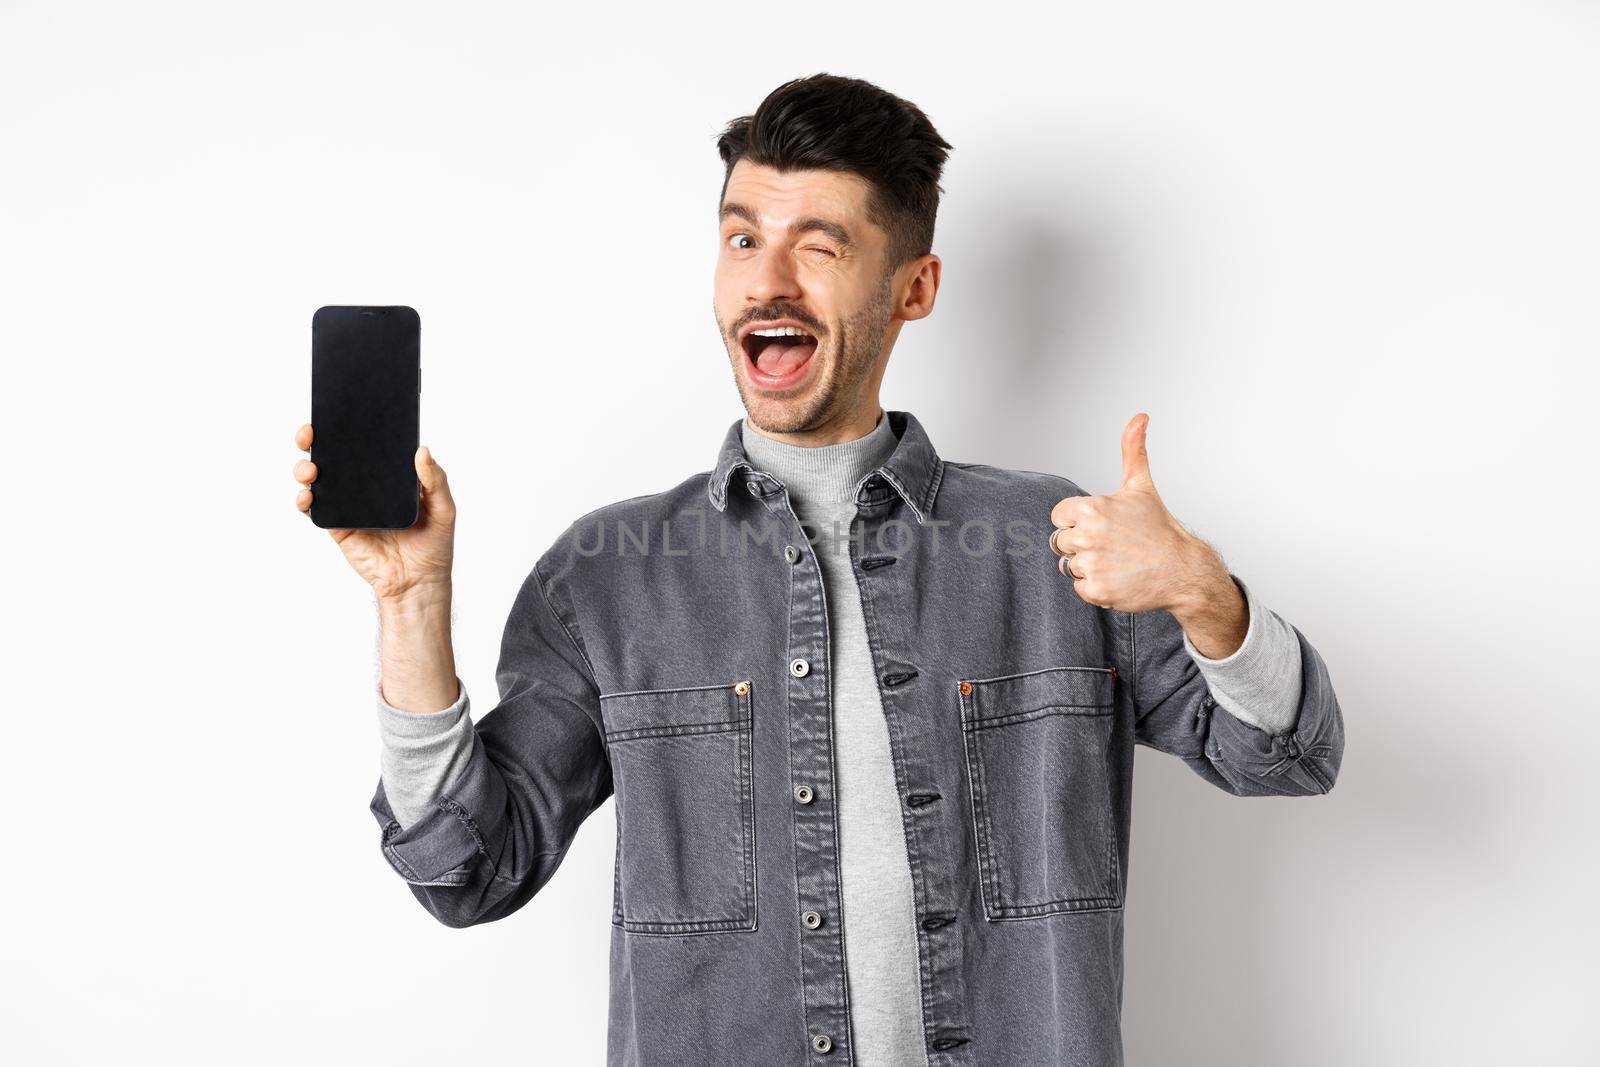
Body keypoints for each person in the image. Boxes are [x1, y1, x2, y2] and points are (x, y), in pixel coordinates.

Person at [292, 73, 1343, 1067]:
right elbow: (472, 868)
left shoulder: (1057, 544)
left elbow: (1287, 755)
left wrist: (1207, 595)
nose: (767, 278)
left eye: (820, 245)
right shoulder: (609, 576)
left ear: (914, 287)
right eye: (741, 237)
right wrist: (410, 600)